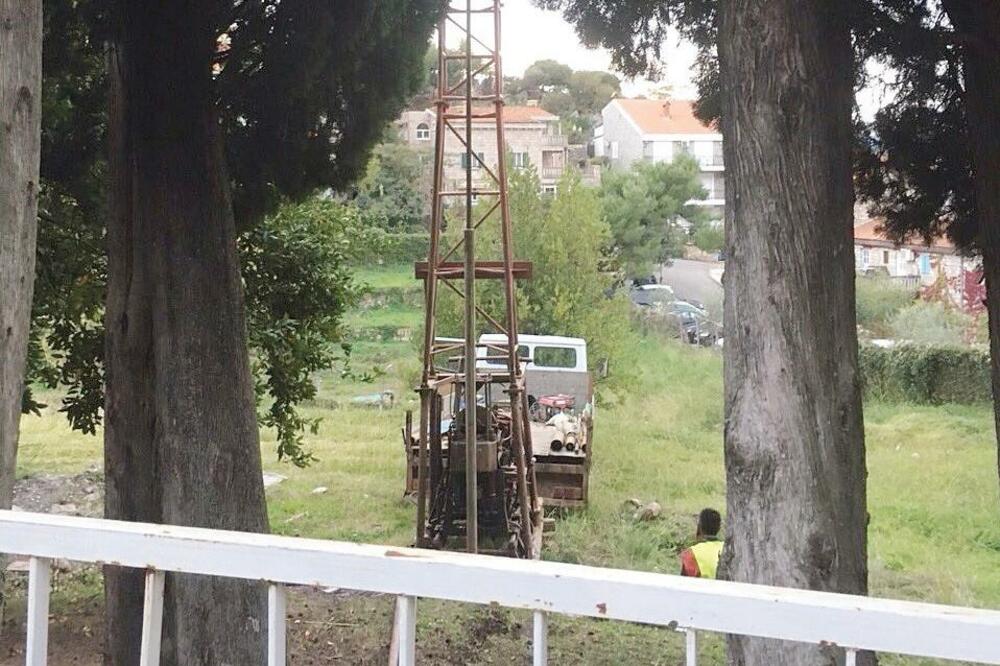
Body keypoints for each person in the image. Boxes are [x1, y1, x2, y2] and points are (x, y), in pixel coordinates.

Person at [679, 508, 723, 578]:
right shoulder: (727, 548)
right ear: (719, 528)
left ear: (699, 527)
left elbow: (683, 583)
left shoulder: (691, 553)